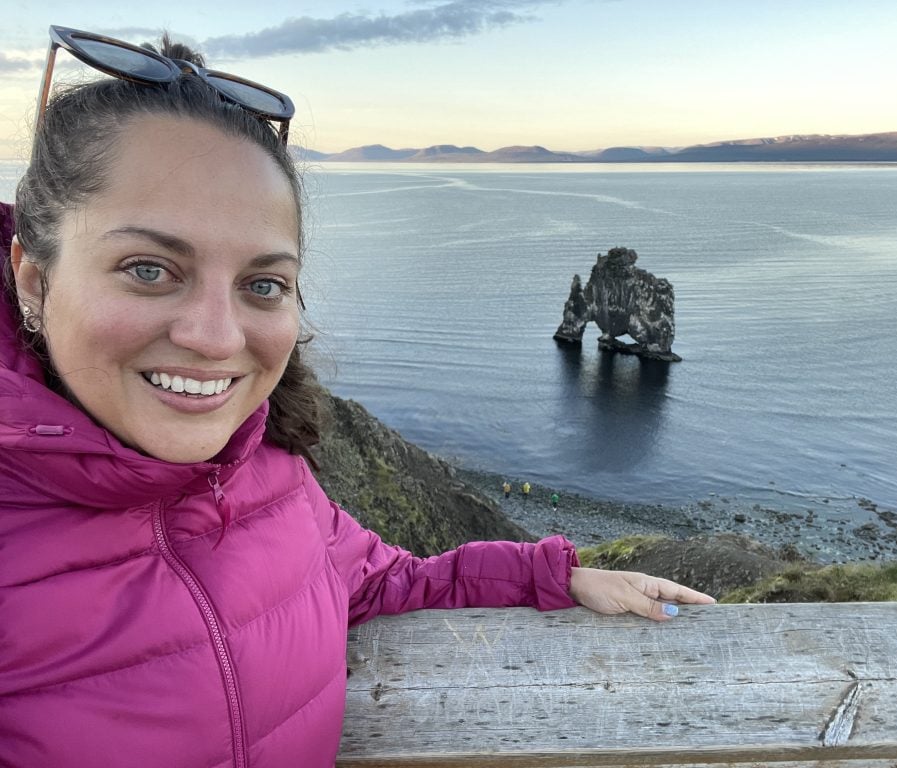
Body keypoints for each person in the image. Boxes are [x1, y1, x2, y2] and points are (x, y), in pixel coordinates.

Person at [0, 25, 714, 768]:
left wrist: (556, 575)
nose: (216, 337)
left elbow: (380, 581)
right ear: (33, 277)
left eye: (263, 285)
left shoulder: (270, 481)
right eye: (148, 269)